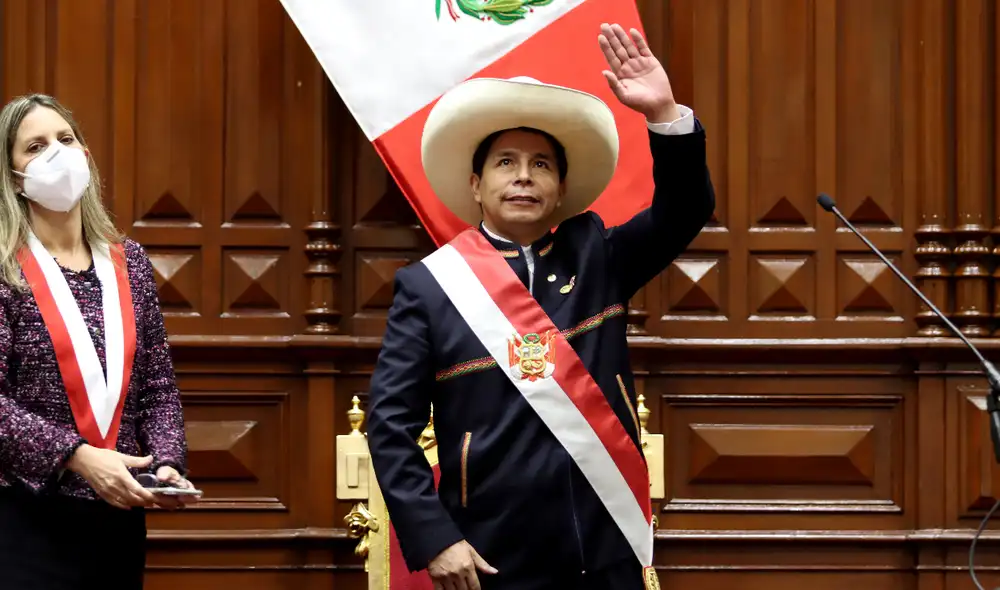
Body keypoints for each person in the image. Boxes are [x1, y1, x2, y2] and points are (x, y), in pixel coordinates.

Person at [366, 23, 714, 590]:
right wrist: (436, 537)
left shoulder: (599, 256)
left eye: (542, 164)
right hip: (487, 557)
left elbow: (684, 210)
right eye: (506, 162)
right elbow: (389, 426)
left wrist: (663, 114)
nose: (524, 176)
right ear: (476, 184)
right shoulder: (430, 287)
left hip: (606, 550)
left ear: (560, 189)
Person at [0, 93, 198, 589]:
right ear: (14, 176)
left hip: (118, 520)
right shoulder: (4, 269)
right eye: (35, 146)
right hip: (26, 518)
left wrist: (166, 463)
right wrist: (77, 456)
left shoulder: (128, 262)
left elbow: (157, 387)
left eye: (65, 139)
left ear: (85, 154)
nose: (56, 153)